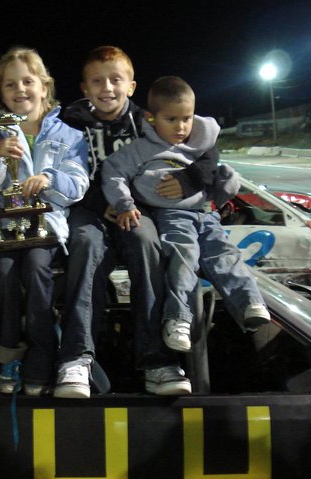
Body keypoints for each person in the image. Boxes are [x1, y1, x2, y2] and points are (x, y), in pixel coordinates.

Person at [55, 46, 198, 398]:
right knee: (85, 244)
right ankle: (76, 359)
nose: (107, 88)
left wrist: (191, 180)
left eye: (115, 80)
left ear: (131, 86)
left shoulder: (148, 121)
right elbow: (62, 171)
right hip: (89, 208)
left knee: (147, 243)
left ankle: (157, 361)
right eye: (97, 81)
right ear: (84, 88)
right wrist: (99, 201)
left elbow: (198, 146)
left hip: (134, 209)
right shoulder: (69, 123)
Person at [102, 76, 271, 357]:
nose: (180, 127)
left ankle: (249, 302)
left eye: (186, 118)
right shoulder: (140, 149)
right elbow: (112, 172)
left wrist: (222, 190)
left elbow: (218, 174)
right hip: (173, 215)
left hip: (206, 213)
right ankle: (178, 318)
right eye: (171, 119)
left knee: (225, 254)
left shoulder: (202, 145)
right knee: (183, 258)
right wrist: (124, 203)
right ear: (151, 117)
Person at [0, 46, 89, 396]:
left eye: (27, 81)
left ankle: (42, 357)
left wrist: (49, 179)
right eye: (10, 85)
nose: (19, 89)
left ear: (44, 86)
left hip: (47, 225)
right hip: (6, 226)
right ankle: (9, 354)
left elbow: (79, 185)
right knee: (1, 272)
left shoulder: (70, 135)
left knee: (37, 269)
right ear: (1, 92)